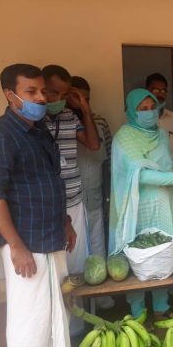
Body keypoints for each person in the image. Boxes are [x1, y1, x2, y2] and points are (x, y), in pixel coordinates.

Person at [0, 63, 76, 347]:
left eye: (42, 91)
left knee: (56, 311)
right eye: (31, 92)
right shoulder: (3, 135)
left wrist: (67, 222)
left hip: (51, 236)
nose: (41, 97)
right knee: (29, 320)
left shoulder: (40, 131)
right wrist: (15, 245)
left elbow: (53, 182)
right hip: (26, 243)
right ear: (9, 94)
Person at [109, 88, 173, 318]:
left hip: (164, 205)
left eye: (152, 107)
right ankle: (137, 310)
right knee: (137, 255)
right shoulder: (124, 137)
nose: (149, 112)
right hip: (136, 208)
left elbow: (166, 168)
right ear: (131, 111)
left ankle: (161, 306)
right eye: (143, 109)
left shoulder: (162, 135)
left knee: (162, 253)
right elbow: (139, 175)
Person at [42, 64, 100, 335]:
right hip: (46, 207)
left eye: (64, 94)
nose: (57, 99)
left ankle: (76, 329)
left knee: (76, 266)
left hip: (75, 202)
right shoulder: (31, 122)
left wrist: (84, 108)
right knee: (52, 271)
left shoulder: (68, 116)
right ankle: (55, 329)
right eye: (53, 92)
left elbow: (93, 144)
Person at [70, 75, 114, 309]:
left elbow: (107, 162)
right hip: (70, 201)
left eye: (85, 99)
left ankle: (100, 299)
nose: (80, 102)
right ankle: (76, 305)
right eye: (75, 97)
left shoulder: (100, 122)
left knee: (97, 246)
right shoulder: (61, 122)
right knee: (73, 252)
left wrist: (109, 196)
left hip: (95, 194)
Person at [146, 73, 173, 164]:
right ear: (146, 92)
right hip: (148, 175)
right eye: (155, 90)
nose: (160, 94)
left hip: (170, 174)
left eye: (163, 91)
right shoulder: (140, 118)